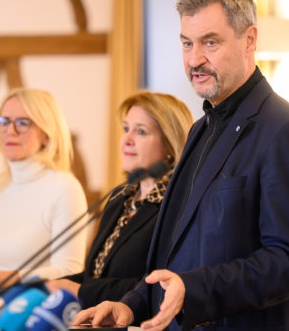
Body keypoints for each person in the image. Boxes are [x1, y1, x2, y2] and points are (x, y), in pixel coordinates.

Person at [73, 0, 289, 330]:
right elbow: (173, 250)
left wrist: (193, 290)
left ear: (249, 40)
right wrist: (132, 305)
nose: (194, 59)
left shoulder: (287, 130)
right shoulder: (199, 130)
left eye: (210, 42)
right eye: (186, 43)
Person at [45, 91, 193, 308]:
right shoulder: (119, 198)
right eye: (126, 129)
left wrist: (81, 291)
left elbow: (160, 285)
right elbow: (96, 276)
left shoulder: (177, 207)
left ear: (170, 146)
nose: (127, 140)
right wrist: (54, 285)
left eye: (141, 132)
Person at [0, 88, 88, 287]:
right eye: (3, 122)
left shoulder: (65, 188)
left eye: (22, 123)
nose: (10, 131)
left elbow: (69, 271)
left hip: (39, 308)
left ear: (46, 134)